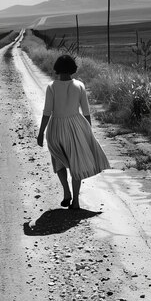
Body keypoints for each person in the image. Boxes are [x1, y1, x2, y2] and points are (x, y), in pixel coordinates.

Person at [37, 54, 110, 209]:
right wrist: (88, 131)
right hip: (76, 127)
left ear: (57, 68)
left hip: (56, 127)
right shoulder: (79, 85)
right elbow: (86, 112)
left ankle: (66, 193)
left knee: (59, 161)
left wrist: (41, 132)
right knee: (76, 164)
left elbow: (46, 113)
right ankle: (76, 201)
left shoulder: (51, 87)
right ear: (72, 68)